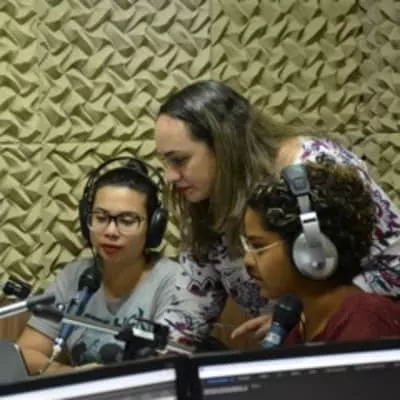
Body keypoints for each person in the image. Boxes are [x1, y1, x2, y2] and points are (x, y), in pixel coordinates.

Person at [154, 79, 400, 345]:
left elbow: (395, 264)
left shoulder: (313, 166)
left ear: (224, 146)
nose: (170, 176)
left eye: (179, 160)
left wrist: (303, 314)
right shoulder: (200, 197)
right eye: (167, 162)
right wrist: (152, 352)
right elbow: (190, 310)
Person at [17, 157, 178, 375]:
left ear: (153, 227)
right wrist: (75, 376)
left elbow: (166, 369)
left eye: (127, 220)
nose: (110, 231)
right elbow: (27, 353)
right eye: (100, 217)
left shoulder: (172, 281)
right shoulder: (76, 276)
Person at [242, 161, 400, 344]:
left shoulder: (366, 320)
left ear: (312, 250)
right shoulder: (302, 323)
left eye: (258, 246)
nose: (248, 260)